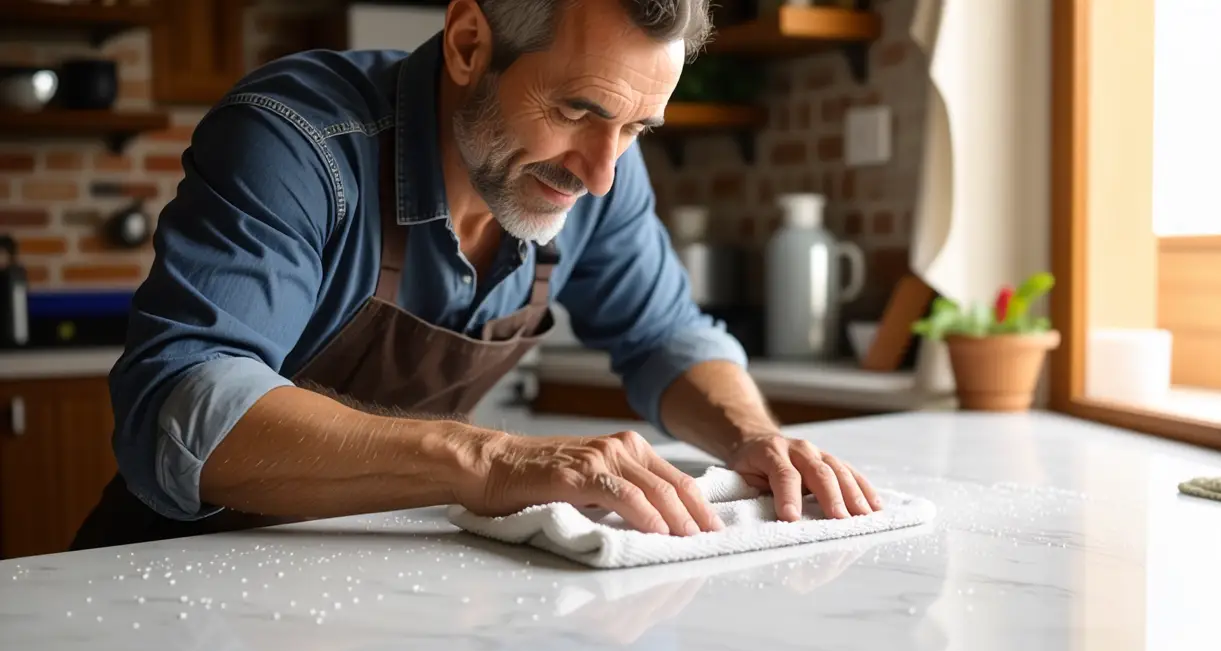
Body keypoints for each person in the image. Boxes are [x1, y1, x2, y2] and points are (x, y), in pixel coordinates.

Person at [71, 0, 880, 550]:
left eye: (636, 128)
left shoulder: (597, 174)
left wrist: (754, 438)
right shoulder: (297, 141)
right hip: (166, 584)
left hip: (370, 572)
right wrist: (492, 462)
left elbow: (665, 335)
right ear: (468, 44)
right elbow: (183, 407)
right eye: (577, 111)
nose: (601, 174)